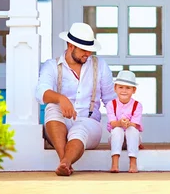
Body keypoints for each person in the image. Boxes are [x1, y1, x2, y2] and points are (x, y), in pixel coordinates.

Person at [35, 22, 116, 176]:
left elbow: (111, 100)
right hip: (60, 124)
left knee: (80, 129)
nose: (88, 54)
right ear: (71, 45)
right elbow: (41, 93)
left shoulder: (100, 66)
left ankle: (65, 162)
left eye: (90, 50)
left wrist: (121, 129)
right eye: (84, 50)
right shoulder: (52, 65)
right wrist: (60, 98)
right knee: (52, 107)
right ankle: (64, 162)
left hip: (89, 123)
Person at [106, 70, 143, 173]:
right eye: (120, 87)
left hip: (133, 139)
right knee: (117, 130)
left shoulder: (137, 105)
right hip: (116, 139)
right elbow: (113, 123)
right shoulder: (111, 104)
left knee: (132, 129)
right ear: (115, 88)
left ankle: (133, 163)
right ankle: (114, 163)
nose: (124, 91)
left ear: (134, 90)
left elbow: (135, 124)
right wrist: (120, 123)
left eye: (128, 88)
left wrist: (128, 123)